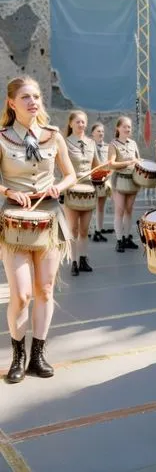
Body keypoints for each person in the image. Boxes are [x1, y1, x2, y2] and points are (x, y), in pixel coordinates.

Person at [0, 76, 76, 383]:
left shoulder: (54, 135)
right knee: (22, 293)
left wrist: (59, 186)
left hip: (49, 218)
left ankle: (38, 355)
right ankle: (17, 354)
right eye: (26, 97)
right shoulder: (2, 137)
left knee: (45, 289)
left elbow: (71, 174)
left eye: (37, 96)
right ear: (12, 103)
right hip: (14, 222)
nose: (34, 101)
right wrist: (7, 191)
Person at [64, 110, 100, 276]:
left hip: (88, 190)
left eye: (83, 122)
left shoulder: (91, 143)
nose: (81, 125)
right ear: (71, 123)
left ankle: (83, 259)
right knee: (73, 229)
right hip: (72, 189)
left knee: (84, 229)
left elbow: (97, 166)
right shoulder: (64, 143)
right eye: (77, 122)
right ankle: (73, 261)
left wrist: (103, 173)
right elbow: (62, 167)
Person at [108, 116, 140, 252]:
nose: (127, 129)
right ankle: (119, 240)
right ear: (118, 128)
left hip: (132, 179)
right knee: (119, 210)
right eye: (125, 126)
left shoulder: (133, 143)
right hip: (119, 179)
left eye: (129, 127)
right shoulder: (113, 144)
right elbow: (111, 164)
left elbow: (138, 159)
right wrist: (128, 163)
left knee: (129, 210)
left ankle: (127, 238)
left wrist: (139, 162)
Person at [90, 122, 113, 241]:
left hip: (103, 179)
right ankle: (90, 229)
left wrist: (109, 174)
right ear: (92, 133)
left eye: (102, 131)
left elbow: (111, 163)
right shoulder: (88, 146)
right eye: (98, 131)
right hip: (91, 179)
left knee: (100, 206)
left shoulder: (108, 147)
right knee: (89, 206)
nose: (101, 133)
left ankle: (98, 230)